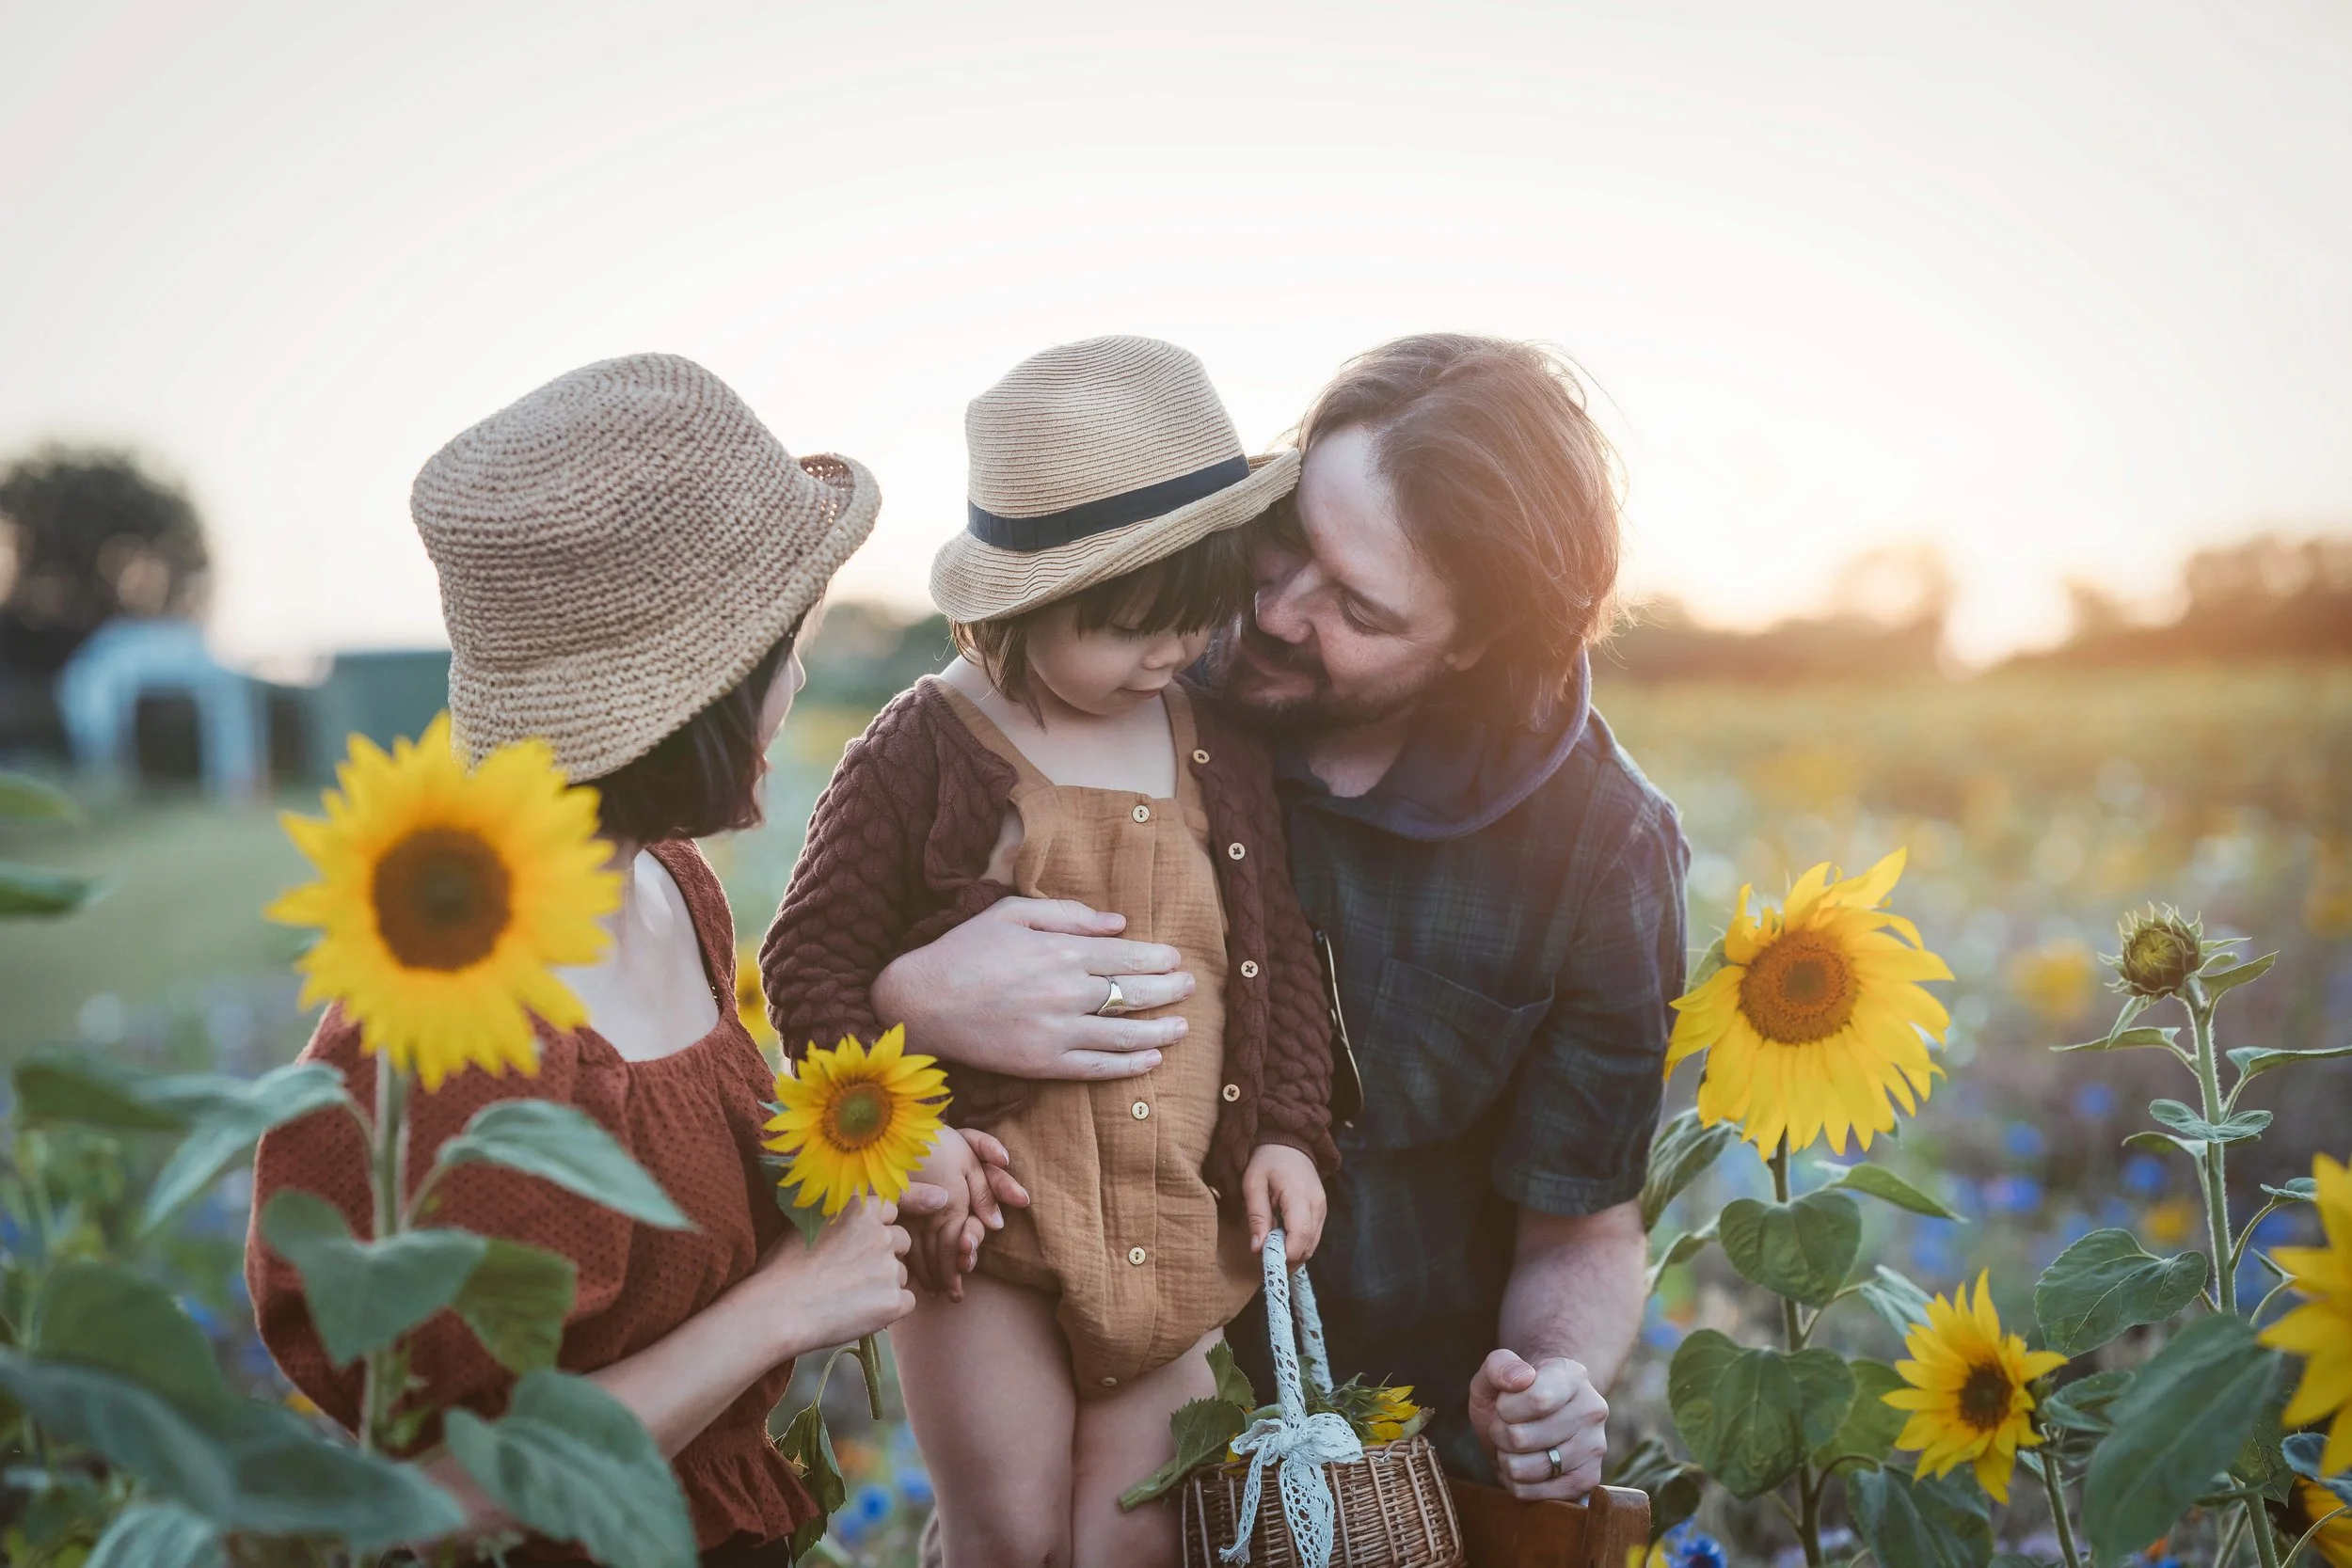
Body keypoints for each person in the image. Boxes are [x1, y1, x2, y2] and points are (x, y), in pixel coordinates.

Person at [872, 334, 1688, 1502]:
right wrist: (914, 996)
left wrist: (1554, 1376)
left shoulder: (1597, 848)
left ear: (1474, 641)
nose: (1271, 609)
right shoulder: (1127, 663)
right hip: (1058, 1441)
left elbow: (1582, 1229)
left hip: (1377, 1473)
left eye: (1355, 602)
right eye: (1288, 536)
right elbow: (841, 942)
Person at [246, 353, 991, 1564]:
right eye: (780, 646)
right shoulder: (450, 1030)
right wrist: (786, 1307)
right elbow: (443, 1491)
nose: (799, 673)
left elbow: (681, 1163)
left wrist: (871, 1158)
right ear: (692, 693)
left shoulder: (667, 885)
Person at [760, 336, 1339, 1565]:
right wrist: (903, 1132)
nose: (1170, 652)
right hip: (993, 1242)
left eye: (1194, 617)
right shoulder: (922, 749)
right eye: (1132, 626)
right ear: (1022, 603)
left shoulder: (1214, 742)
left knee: (1135, 1536)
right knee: (1010, 1529)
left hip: (1180, 1225)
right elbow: (806, 969)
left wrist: (1287, 1125)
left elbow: (1275, 958)